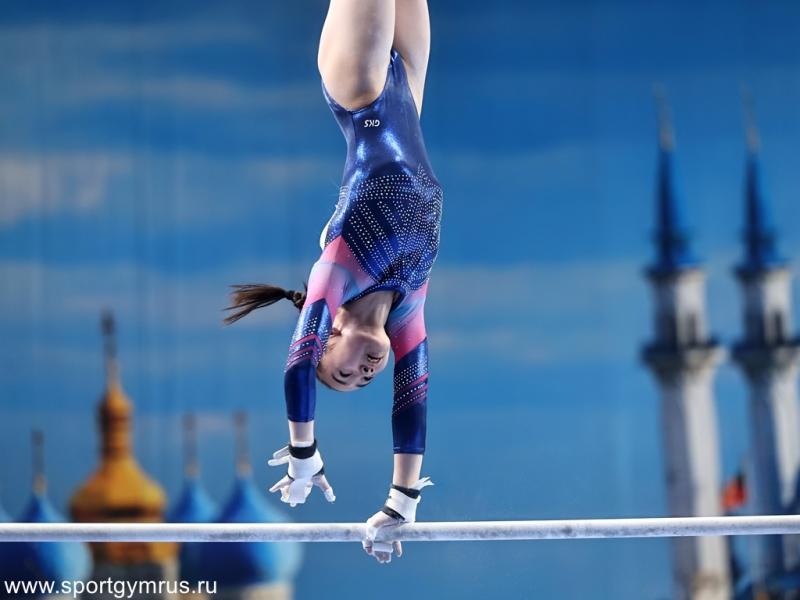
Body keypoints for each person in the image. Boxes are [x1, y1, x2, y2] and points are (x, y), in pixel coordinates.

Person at [225, 0, 441, 564]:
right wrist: (401, 502)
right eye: (365, 381)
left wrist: (304, 451)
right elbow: (412, 399)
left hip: (359, 92)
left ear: (329, 334)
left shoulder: (338, 270)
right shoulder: (409, 306)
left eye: (343, 372)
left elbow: (298, 364)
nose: (365, 373)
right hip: (406, 97)